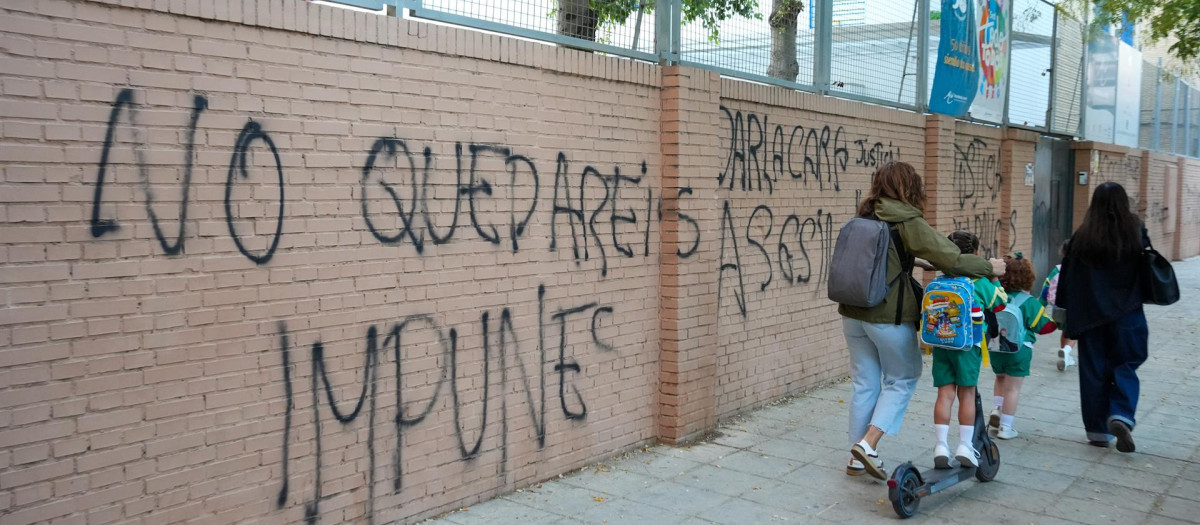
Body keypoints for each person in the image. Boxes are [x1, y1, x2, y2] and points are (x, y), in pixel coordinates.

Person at [838, 162, 1006, 480]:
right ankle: (868, 443)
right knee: (903, 378)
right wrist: (989, 267)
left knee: (865, 383)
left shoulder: (864, 215)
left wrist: (913, 259)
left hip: (852, 314)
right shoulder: (905, 218)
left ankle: (856, 458)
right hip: (887, 315)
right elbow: (951, 257)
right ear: (908, 188)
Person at [1056, 182, 1150, 453]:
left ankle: (1097, 431)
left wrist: (1063, 311)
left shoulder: (1083, 236)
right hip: (1128, 313)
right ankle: (1121, 414)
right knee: (1127, 363)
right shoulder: (1134, 231)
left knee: (1093, 370)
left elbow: (1067, 277)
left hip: (1090, 316)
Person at [932, 231, 1008, 468]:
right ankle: (965, 445)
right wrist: (995, 278)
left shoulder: (941, 279)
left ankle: (940, 446)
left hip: (942, 344)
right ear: (975, 254)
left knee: (944, 394)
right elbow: (1001, 302)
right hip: (968, 346)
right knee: (966, 393)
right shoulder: (980, 282)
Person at [987, 254, 1057, 440]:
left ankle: (997, 408)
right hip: (1019, 350)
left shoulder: (995, 296)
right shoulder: (1029, 302)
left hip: (994, 347)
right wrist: (1058, 321)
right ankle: (1006, 427)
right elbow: (1044, 327)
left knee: (1000, 378)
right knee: (1013, 388)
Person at [1041, 242, 1077, 371]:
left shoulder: (1057, 269)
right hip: (1075, 307)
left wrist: (1041, 307)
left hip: (1058, 307)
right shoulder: (1082, 269)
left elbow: (1046, 288)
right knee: (1074, 333)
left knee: (1064, 331)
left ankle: (1065, 358)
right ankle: (1066, 352)